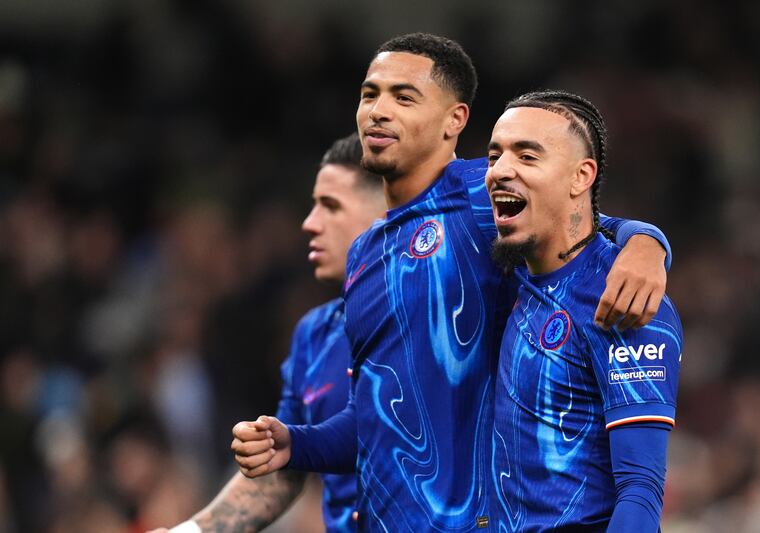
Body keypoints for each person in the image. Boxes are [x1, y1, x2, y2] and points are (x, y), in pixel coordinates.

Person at [232, 33, 672, 532]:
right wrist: (299, 443)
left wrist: (647, 244)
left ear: (454, 121)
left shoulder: (477, 193)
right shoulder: (365, 253)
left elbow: (577, 218)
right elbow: (377, 412)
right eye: (369, 93)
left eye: (403, 97)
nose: (378, 110)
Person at [148, 133, 386, 533]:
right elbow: (283, 468)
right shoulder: (314, 335)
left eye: (330, 206)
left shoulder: (442, 313)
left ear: (384, 214)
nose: (309, 223)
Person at [487, 90, 681, 531]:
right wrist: (647, 237)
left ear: (581, 176)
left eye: (527, 156)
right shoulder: (517, 270)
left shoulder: (622, 295)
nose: (500, 170)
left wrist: (645, 246)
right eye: (494, 155)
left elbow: (640, 489)